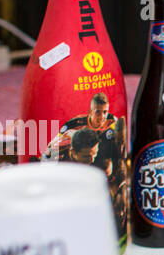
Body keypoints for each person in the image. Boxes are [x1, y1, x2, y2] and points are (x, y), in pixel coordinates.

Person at [42, 92, 129, 235]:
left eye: (105, 112)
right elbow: (51, 147)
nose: (101, 116)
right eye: (98, 112)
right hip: (78, 152)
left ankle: (110, 217)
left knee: (109, 169)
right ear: (90, 112)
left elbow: (121, 143)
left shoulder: (112, 122)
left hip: (100, 150)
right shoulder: (74, 125)